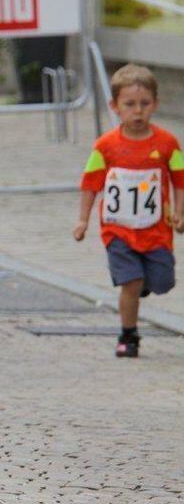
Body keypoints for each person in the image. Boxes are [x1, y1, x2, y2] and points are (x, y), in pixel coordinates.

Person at [74, 64, 184, 358]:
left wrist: (180, 212)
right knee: (130, 282)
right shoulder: (106, 146)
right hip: (118, 230)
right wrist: (83, 219)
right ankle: (128, 335)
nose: (138, 111)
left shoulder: (167, 144)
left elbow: (180, 179)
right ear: (115, 106)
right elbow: (90, 184)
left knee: (163, 283)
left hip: (156, 231)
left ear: (155, 104)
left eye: (144, 104)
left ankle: (143, 284)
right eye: (130, 104)